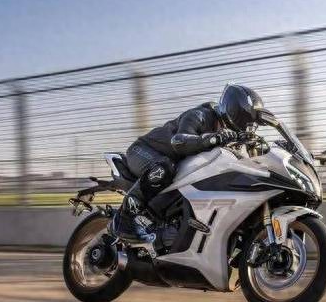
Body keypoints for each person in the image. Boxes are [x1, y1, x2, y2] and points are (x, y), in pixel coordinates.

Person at [113, 84, 265, 242]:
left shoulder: (232, 136)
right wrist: (213, 138)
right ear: (233, 109)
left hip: (173, 167)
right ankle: (123, 221)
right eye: (244, 118)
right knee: (164, 168)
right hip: (142, 151)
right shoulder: (201, 115)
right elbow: (179, 141)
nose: (246, 124)